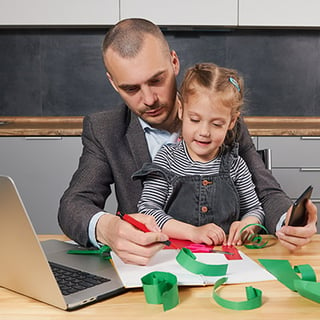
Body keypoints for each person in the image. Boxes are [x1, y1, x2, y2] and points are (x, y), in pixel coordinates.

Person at [58, 18, 317, 265]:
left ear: (173, 62)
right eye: (132, 89)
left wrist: (289, 220)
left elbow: (265, 191)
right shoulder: (104, 129)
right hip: (149, 269)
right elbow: (73, 205)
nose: (149, 99)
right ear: (113, 83)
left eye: (156, 80)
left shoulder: (221, 118)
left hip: (227, 265)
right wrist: (106, 228)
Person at [133, 63, 265, 246]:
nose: (204, 132)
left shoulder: (235, 164)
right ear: (181, 110)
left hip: (226, 258)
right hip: (174, 257)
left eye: (217, 124)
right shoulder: (167, 159)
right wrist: (192, 232)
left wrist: (247, 226)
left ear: (232, 121)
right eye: (195, 120)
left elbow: (254, 210)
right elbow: (148, 211)